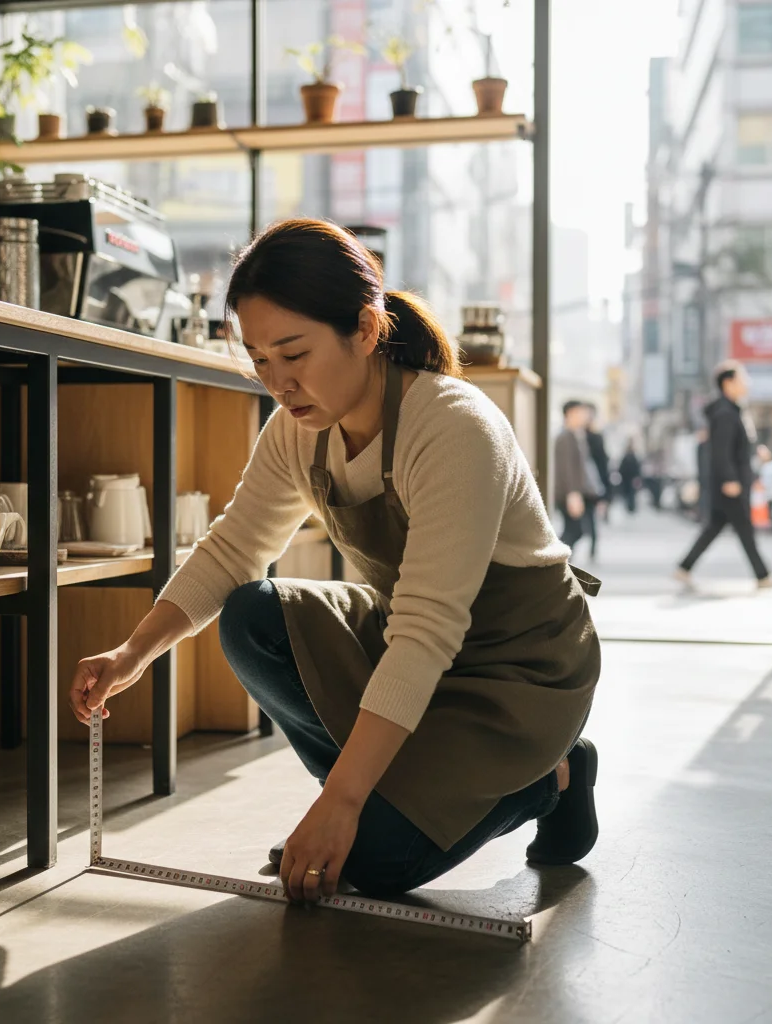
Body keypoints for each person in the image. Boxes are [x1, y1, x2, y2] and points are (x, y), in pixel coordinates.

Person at [68, 219, 602, 903]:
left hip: (517, 671)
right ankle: (365, 804)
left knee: (373, 864)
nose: (279, 383)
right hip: (407, 641)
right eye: (260, 360)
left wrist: (344, 805)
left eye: (295, 353)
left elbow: (428, 628)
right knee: (252, 615)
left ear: (366, 330)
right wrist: (131, 654)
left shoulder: (452, 427)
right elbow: (234, 549)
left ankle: (550, 776)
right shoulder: (297, 432)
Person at [676, 361, 772, 588]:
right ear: (728, 383)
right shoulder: (725, 413)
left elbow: (737, 447)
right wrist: (729, 480)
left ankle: (684, 567)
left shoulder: (733, 410)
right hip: (730, 484)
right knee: (744, 530)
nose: (747, 383)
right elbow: (721, 451)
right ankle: (763, 576)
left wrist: (756, 452)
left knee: (715, 527)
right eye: (742, 378)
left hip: (732, 482)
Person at [554, 400, 601, 556]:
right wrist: (573, 493)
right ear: (571, 413)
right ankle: (553, 565)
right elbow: (566, 468)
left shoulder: (575, 435)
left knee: (575, 530)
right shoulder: (566, 437)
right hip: (569, 493)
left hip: (573, 492)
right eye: (581, 412)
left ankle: (557, 566)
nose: (585, 416)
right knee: (575, 530)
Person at [584, 403, 613, 532]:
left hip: (593, 481)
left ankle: (593, 545)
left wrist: (605, 492)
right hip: (582, 482)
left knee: (590, 516)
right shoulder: (575, 435)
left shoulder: (596, 438)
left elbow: (603, 463)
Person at [617, 441, 642, 514]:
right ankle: (631, 507)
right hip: (630, 479)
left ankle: (630, 507)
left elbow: (621, 469)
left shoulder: (626, 458)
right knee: (631, 493)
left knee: (629, 493)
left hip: (627, 479)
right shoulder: (633, 458)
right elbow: (638, 469)